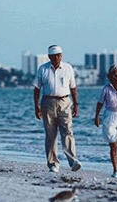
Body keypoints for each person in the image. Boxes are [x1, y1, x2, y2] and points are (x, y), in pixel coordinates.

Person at [33, 45, 81, 173]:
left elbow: (73, 88)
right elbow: (37, 89)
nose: (57, 58)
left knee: (68, 130)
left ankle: (73, 160)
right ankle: (53, 163)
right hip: (47, 102)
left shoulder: (68, 68)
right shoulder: (43, 69)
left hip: (65, 102)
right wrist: (36, 107)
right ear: (49, 57)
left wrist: (76, 104)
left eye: (59, 55)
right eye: (54, 56)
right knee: (50, 134)